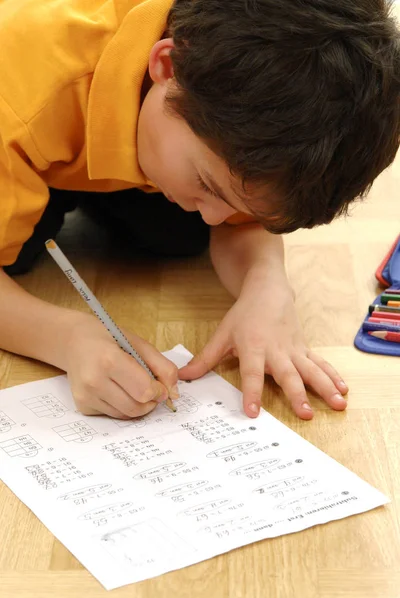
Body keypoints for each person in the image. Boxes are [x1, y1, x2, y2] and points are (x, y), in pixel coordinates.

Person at [0, 0, 399, 421]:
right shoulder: (19, 93)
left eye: (232, 204)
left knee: (179, 235)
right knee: (19, 257)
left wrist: (266, 283)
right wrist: (66, 338)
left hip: (128, 125)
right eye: (208, 185)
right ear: (167, 66)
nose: (213, 218)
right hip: (29, 121)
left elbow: (245, 214)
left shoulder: (227, 96)